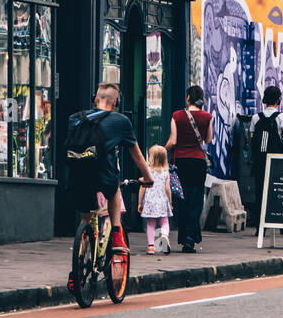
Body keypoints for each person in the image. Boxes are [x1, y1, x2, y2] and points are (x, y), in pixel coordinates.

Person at [66, 82, 153, 249]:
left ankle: (79, 265)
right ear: (115, 103)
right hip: (103, 176)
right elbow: (137, 155)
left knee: (86, 219)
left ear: (95, 100)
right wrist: (148, 177)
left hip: (77, 175)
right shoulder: (121, 121)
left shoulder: (75, 118)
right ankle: (116, 233)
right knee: (114, 191)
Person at [166, 84, 213, 253]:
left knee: (183, 199)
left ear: (187, 98)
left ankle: (185, 235)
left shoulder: (177, 116)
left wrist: (161, 152)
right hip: (198, 162)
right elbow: (208, 140)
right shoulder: (207, 117)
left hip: (181, 162)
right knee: (195, 200)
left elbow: (173, 141)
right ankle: (191, 238)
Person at [249, 85, 283, 230]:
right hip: (276, 160)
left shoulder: (256, 117)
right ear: (278, 100)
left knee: (260, 190)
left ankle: (260, 225)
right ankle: (281, 224)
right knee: (278, 190)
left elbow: (251, 137)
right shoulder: (282, 117)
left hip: (260, 159)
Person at [138, 145, 172, 254]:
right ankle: (164, 236)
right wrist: (170, 202)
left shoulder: (147, 171)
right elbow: (167, 189)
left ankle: (151, 247)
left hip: (150, 201)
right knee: (164, 221)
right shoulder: (165, 172)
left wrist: (140, 203)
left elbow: (142, 188)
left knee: (150, 224)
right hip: (162, 201)